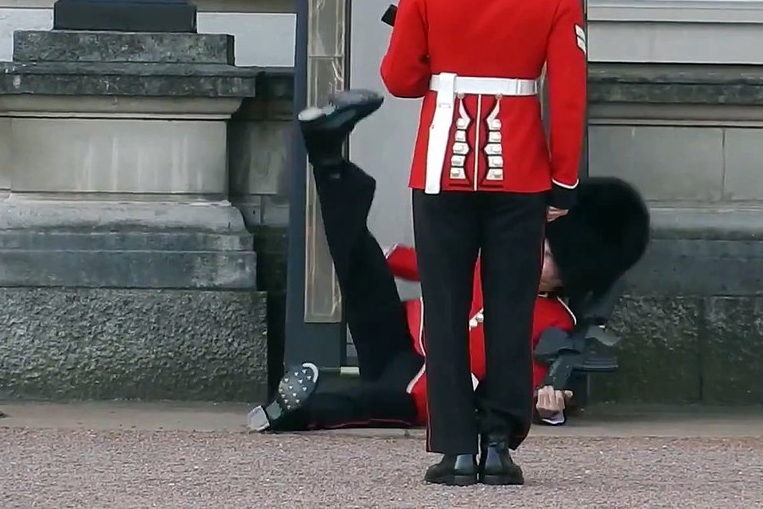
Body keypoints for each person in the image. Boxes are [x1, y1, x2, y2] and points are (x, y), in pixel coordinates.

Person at [249, 91, 647, 473]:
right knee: (358, 261)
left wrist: (549, 405)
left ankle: (292, 412)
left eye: (549, 261)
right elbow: (424, 264)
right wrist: (377, 255)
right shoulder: (492, 261)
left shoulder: (555, 321)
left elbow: (524, 380)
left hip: (429, 393)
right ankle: (328, 159)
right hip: (393, 341)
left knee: (367, 403)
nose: (536, 259)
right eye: (541, 248)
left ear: (572, 276)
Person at [378, 0, 588, 486]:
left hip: (440, 168)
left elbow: (401, 79)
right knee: (507, 308)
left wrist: (417, 12)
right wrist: (563, 179)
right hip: (523, 172)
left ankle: (457, 448)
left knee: (443, 306)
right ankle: (501, 445)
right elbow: (569, 92)